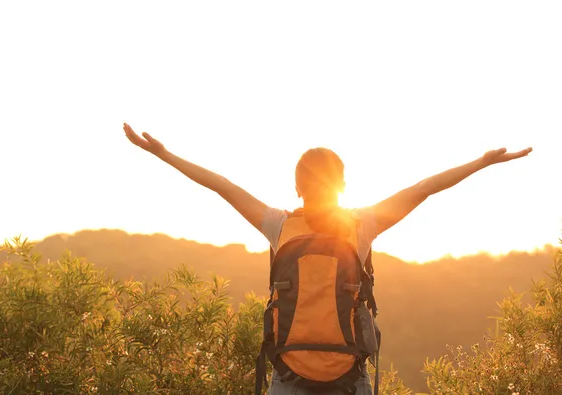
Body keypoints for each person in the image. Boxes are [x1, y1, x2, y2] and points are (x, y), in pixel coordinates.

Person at [123, 122, 532, 394]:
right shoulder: (362, 226)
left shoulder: (279, 225)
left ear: (297, 187)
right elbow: (424, 187)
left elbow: (222, 187)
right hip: (349, 375)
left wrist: (164, 154)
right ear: (342, 186)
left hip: (288, 374)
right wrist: (482, 163)